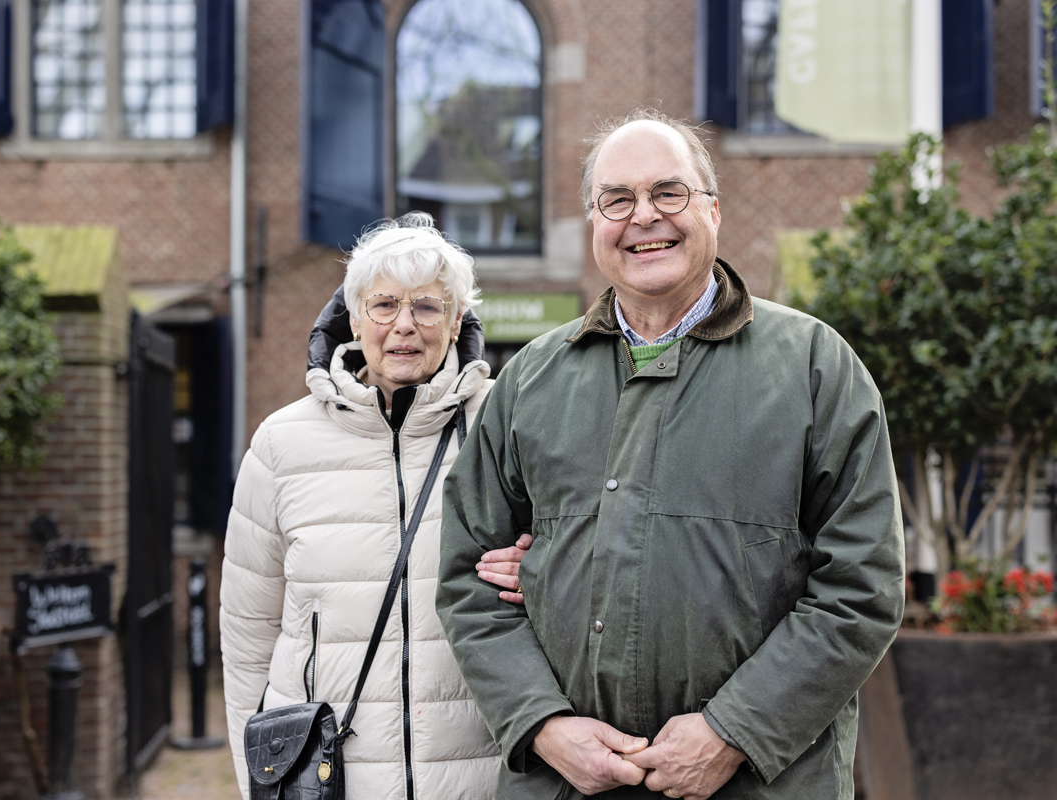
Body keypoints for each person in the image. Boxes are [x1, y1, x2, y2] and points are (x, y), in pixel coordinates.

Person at [436, 108, 906, 800]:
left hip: (758, 784)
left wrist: (735, 731)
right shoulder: (532, 379)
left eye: (668, 193)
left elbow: (862, 588)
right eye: (617, 200)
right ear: (595, 224)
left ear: (712, 210)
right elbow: (466, 579)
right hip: (564, 787)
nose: (643, 217)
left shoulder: (813, 368)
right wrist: (541, 723)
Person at [221, 213, 511, 800]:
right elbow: (249, 632)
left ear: (456, 321)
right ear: (354, 318)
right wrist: (256, 775)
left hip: (476, 771)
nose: (404, 326)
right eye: (384, 305)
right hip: (331, 777)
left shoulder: (505, 427)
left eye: (427, 307)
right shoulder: (280, 444)